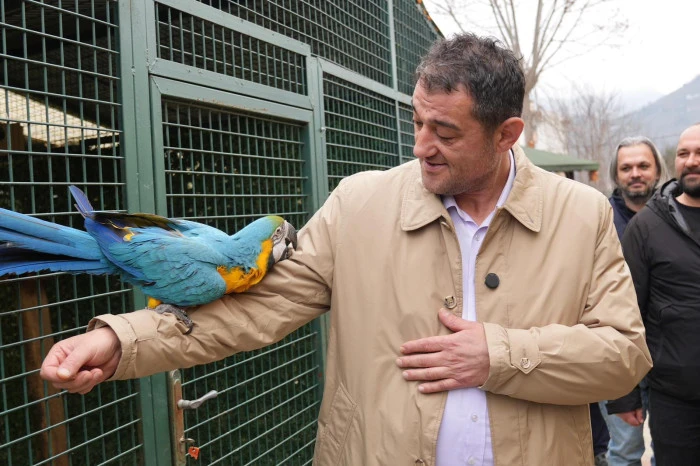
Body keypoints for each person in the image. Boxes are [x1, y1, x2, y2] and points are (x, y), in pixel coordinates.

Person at [39, 34, 652, 465]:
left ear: (506, 134)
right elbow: (257, 304)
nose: (421, 146)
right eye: (417, 122)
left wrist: (500, 355)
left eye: (445, 132)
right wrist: (123, 340)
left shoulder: (581, 215)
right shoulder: (360, 204)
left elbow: (624, 355)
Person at [617, 123, 700, 465]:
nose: (691, 161)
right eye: (683, 153)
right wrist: (624, 395)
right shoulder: (648, 226)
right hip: (675, 397)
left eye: (699, 153)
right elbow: (625, 311)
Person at [599, 136, 667, 466]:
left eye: (643, 166)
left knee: (671, 447)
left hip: (669, 354)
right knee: (625, 450)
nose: (635, 173)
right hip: (617, 352)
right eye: (626, 168)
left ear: (658, 171)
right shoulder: (599, 220)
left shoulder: (677, 215)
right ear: (616, 174)